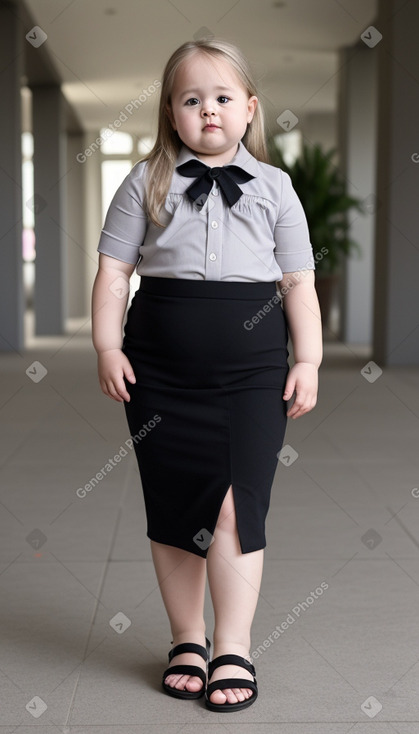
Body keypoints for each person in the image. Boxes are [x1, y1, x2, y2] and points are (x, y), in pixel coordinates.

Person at [91, 37, 322, 712]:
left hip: (251, 374)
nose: (208, 110)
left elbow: (298, 281)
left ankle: (234, 646)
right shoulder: (144, 180)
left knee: (234, 508)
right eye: (191, 100)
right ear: (170, 111)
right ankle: (187, 637)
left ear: (249, 109)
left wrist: (306, 359)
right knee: (173, 508)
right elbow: (113, 273)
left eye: (222, 98)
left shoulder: (276, 187)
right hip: (160, 372)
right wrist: (108, 348)